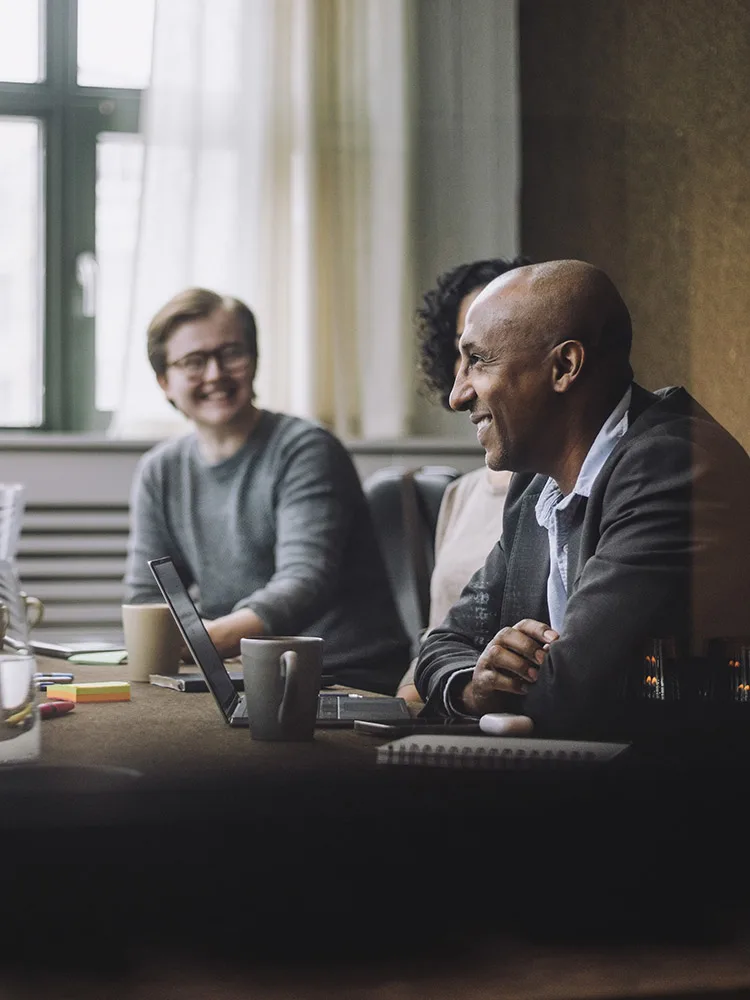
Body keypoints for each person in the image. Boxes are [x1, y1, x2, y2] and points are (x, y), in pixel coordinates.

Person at [414, 260, 750, 739]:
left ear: (564, 367)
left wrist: (512, 689)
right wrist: (476, 686)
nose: (457, 393)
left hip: (683, 800)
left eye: (479, 361)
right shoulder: (535, 486)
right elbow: (443, 642)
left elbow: (577, 692)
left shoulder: (673, 467)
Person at [124, 287, 410, 694]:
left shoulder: (306, 449)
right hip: (243, 673)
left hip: (342, 675)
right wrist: (181, 645)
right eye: (193, 361)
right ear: (164, 381)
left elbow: (304, 581)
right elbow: (145, 597)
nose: (215, 374)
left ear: (254, 361)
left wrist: (209, 640)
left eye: (231, 354)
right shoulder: (160, 470)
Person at [396, 257, 528, 702]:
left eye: (483, 352)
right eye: (463, 352)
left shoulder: (559, 495)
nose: (464, 379)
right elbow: (436, 639)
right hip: (436, 701)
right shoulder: (460, 495)